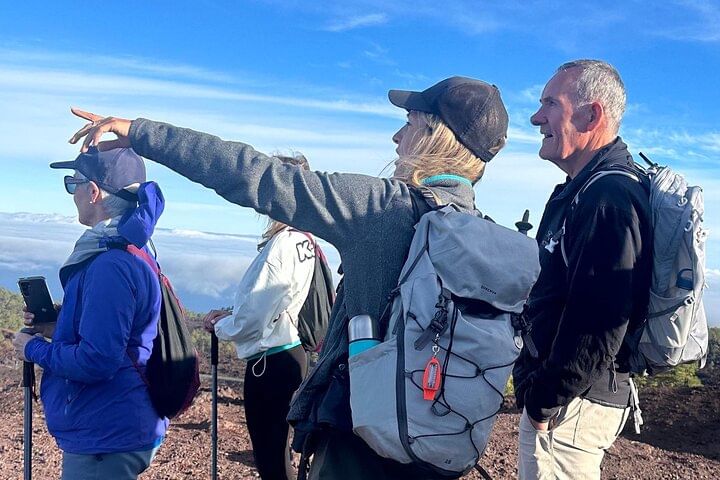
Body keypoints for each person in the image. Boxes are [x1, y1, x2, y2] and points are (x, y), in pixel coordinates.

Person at [67, 75, 509, 479]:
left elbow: (255, 174)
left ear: (433, 134)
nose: (397, 137)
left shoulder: (383, 209)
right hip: (444, 440)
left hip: (361, 444)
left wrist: (142, 133)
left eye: (409, 123)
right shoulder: (489, 239)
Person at [512, 59, 652, 479]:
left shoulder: (609, 197)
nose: (536, 118)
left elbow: (598, 322)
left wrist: (543, 402)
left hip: (570, 409)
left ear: (591, 115)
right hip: (570, 403)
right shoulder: (587, 190)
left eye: (550, 104)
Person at [12, 148, 168, 479]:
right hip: (117, 422)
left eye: (73, 183)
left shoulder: (109, 264)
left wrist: (32, 349)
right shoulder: (130, 249)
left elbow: (97, 360)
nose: (73, 194)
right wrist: (59, 325)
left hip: (106, 433)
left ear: (93, 192)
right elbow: (119, 332)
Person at [202, 154, 318, 480]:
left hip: (270, 363)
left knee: (270, 459)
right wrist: (232, 313)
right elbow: (276, 302)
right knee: (278, 453)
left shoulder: (282, 244)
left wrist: (222, 325)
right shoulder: (305, 240)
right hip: (290, 354)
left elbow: (252, 319)